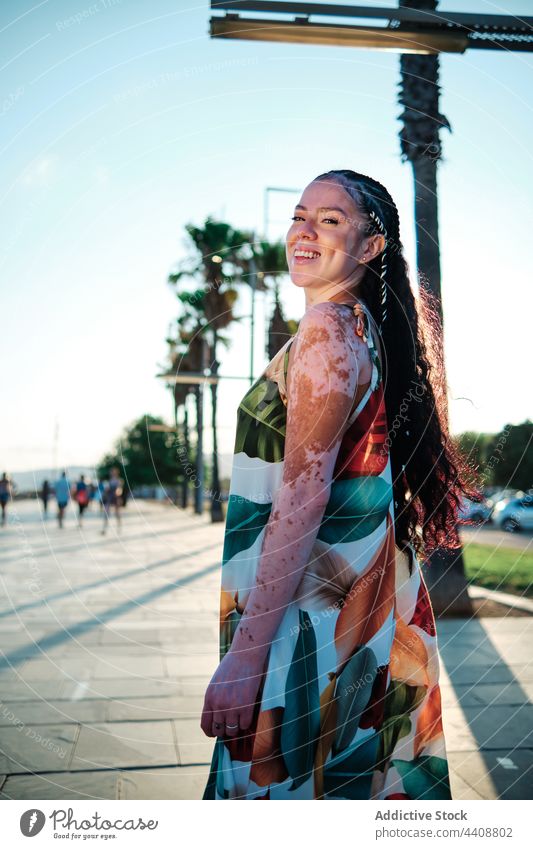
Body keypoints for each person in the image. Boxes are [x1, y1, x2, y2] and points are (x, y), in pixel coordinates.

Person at [201, 170, 480, 801]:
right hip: (355, 608)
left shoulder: (329, 330)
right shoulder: (361, 329)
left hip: (312, 622)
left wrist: (246, 657)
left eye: (330, 220)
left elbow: (301, 499)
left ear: (371, 247)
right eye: (300, 215)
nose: (304, 230)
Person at [101, 466, 123, 535]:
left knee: (117, 514)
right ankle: (104, 529)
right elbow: (106, 490)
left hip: (116, 498)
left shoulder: (119, 480)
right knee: (106, 513)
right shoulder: (109, 481)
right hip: (109, 498)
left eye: (113, 472)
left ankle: (119, 528)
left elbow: (119, 489)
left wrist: (117, 493)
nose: (112, 473)